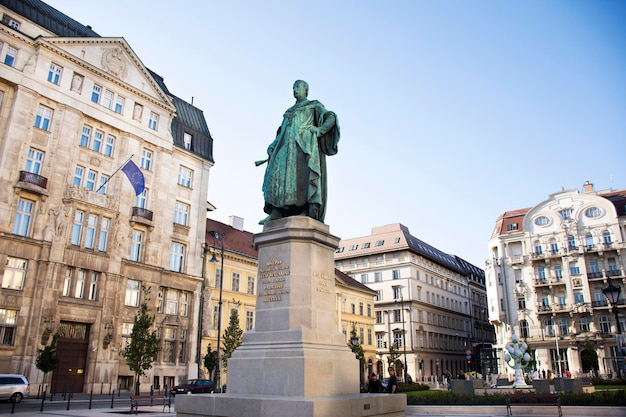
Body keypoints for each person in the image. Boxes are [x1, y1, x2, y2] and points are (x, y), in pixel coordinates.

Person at [259, 80, 340, 224]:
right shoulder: (289, 111)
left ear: (306, 90)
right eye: (293, 87)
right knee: (276, 175)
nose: (295, 90)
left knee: (302, 177)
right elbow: (281, 132)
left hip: (302, 147)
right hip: (285, 148)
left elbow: (330, 117)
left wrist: (319, 130)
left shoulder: (313, 106)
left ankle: (305, 209)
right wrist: (273, 144)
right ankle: (277, 210)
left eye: (298, 87)